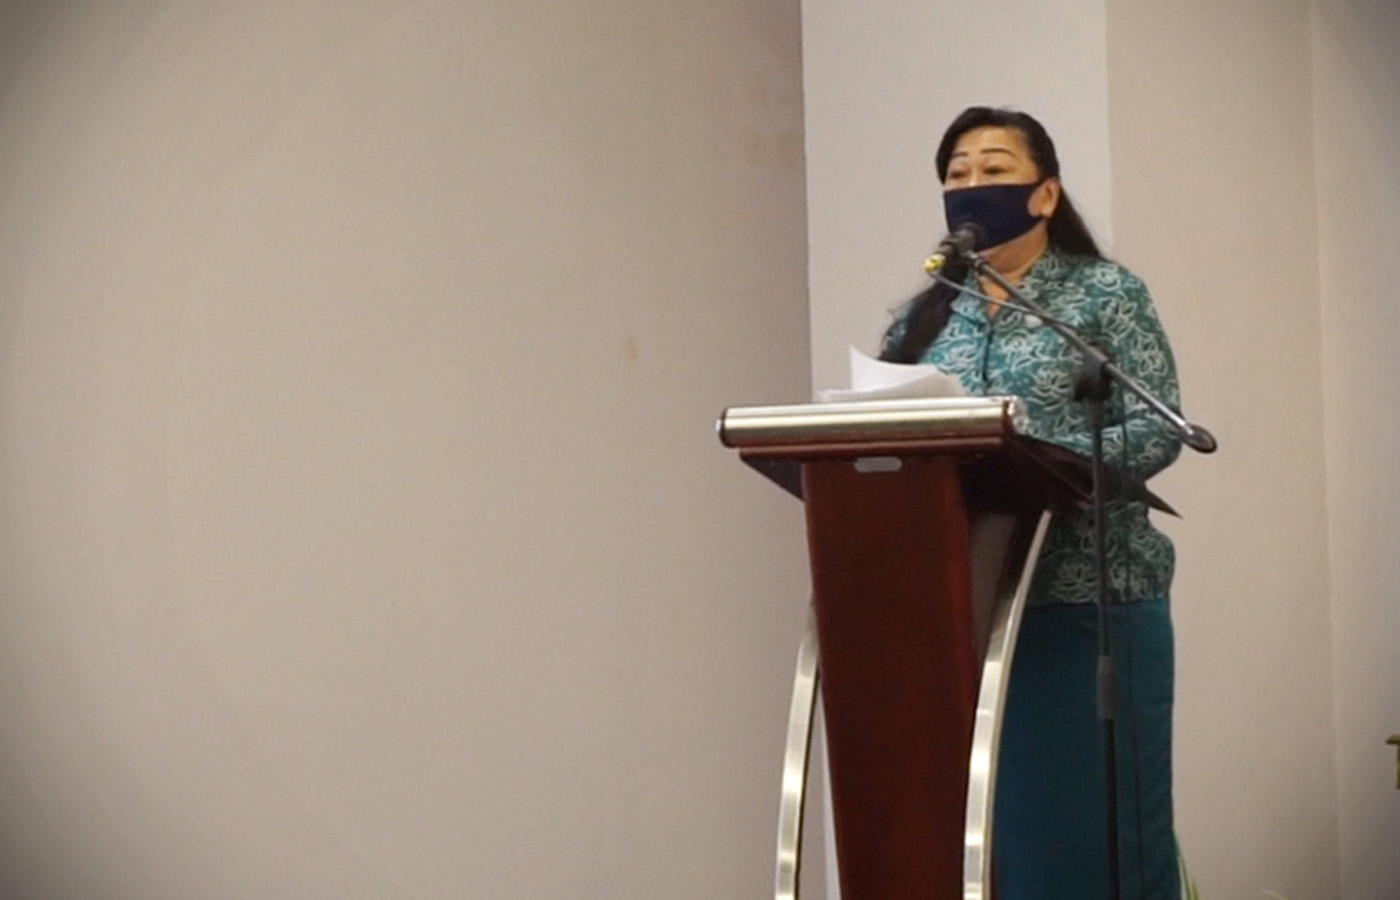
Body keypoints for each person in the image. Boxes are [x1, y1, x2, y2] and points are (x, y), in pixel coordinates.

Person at [880, 106, 1183, 900]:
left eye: (994, 168)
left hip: (1087, 601)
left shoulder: (1101, 295)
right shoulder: (923, 321)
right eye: (957, 173)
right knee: (1001, 848)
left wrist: (1048, 459)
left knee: (1094, 841)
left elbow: (1157, 427)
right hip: (966, 610)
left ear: (1045, 194)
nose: (972, 185)